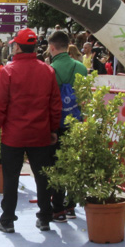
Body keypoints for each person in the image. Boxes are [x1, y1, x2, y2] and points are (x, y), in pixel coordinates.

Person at [0, 28, 62, 234]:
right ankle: (45, 217)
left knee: (10, 178)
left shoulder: (8, 71)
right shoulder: (48, 70)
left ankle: (7, 219)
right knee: (42, 177)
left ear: (18, 46)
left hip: (13, 135)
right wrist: (53, 128)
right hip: (40, 134)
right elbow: (55, 105)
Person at [46, 30, 86, 219]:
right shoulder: (81, 67)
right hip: (77, 121)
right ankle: (71, 206)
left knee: (57, 164)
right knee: (74, 164)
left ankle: (58, 209)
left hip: (57, 123)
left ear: (52, 47)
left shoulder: (49, 69)